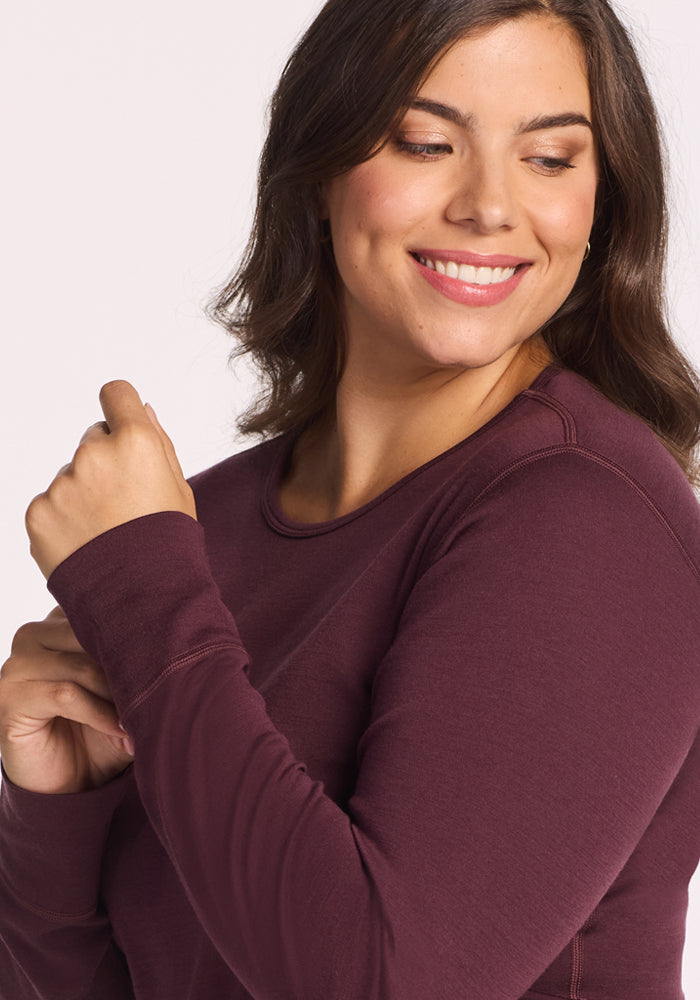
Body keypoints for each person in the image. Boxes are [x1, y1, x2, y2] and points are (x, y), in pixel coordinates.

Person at [1, 0, 699, 997]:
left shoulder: (587, 517)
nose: (490, 206)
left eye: (549, 159)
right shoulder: (203, 533)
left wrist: (147, 599)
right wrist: (56, 815)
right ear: (317, 170)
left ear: (604, 204)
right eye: (424, 142)